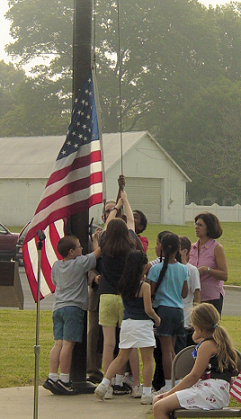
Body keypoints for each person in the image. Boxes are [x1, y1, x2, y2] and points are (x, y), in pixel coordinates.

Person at [94, 250, 161, 404]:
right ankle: (146, 393)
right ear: (144, 267)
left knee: (121, 357)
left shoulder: (123, 285)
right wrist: (156, 318)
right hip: (143, 324)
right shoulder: (144, 287)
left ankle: (104, 385)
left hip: (127, 323)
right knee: (148, 359)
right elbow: (148, 309)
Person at [153, 303, 237, 419]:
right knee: (158, 402)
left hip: (210, 391)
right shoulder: (216, 342)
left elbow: (194, 376)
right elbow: (195, 338)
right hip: (217, 391)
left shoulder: (207, 346)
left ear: (197, 327)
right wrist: (198, 330)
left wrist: (169, 393)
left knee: (159, 407)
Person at [43, 235, 101, 395]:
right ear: (71, 251)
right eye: (79, 247)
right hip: (74, 308)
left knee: (58, 343)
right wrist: (97, 239)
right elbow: (98, 253)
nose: (82, 249)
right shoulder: (80, 263)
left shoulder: (56, 265)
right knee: (69, 344)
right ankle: (64, 379)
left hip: (58, 307)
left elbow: (54, 282)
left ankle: (52, 376)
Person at [97, 190, 136, 398]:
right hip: (125, 298)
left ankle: (108, 384)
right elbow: (131, 221)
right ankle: (128, 382)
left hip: (106, 296)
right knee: (127, 343)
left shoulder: (104, 242)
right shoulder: (130, 243)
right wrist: (126, 201)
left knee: (108, 343)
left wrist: (115, 207)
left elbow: (107, 225)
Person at [148, 233, 188, 394]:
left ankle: (168, 383)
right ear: (179, 248)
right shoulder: (183, 269)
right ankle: (175, 380)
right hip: (178, 311)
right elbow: (185, 293)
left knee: (165, 351)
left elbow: (150, 292)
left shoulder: (156, 269)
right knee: (172, 350)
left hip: (163, 310)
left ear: (162, 248)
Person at [86, 200, 116, 384]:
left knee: (117, 335)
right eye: (106, 211)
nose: (109, 214)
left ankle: (116, 373)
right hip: (97, 295)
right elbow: (86, 265)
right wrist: (94, 277)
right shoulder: (91, 240)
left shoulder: (125, 238)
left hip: (117, 295)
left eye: (113, 210)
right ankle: (93, 371)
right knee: (94, 333)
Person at [188, 212, 228, 315]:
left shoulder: (217, 248)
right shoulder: (191, 248)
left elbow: (224, 275)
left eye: (200, 225)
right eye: (196, 224)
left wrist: (207, 270)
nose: (196, 227)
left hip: (211, 298)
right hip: (194, 297)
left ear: (209, 228)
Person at [175, 236, 201, 352]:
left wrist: (195, 316)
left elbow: (197, 293)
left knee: (183, 348)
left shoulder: (192, 270)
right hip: (173, 314)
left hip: (186, 314)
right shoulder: (170, 267)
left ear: (184, 251)